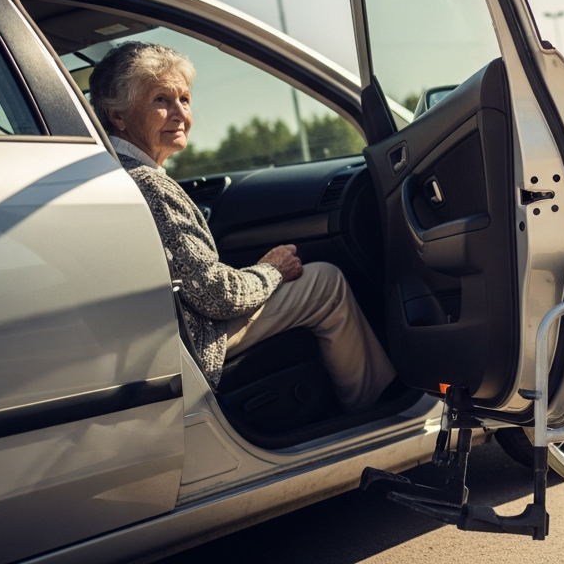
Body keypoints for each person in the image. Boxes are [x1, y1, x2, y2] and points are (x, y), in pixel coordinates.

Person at [88, 41, 397, 411]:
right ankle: (376, 408)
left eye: (184, 100)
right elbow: (216, 296)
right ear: (118, 117)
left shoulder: (113, 173)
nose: (179, 114)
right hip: (192, 344)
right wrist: (271, 270)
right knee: (324, 282)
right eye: (161, 100)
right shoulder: (148, 184)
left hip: (160, 339)